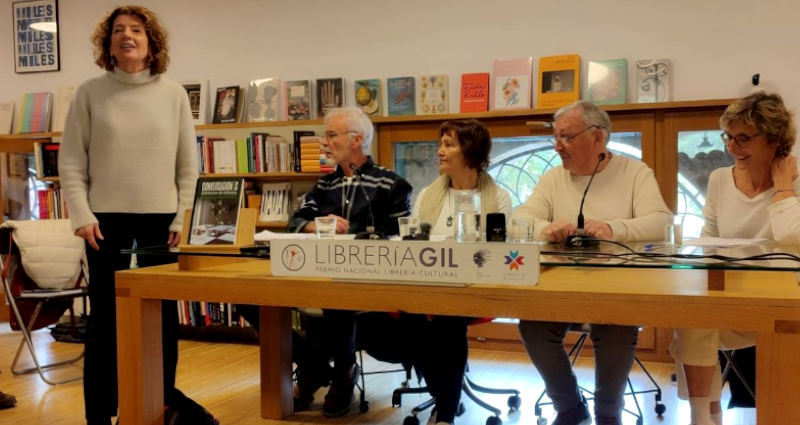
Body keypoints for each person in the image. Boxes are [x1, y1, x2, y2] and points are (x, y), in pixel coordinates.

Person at [58, 6, 198, 425]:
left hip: (162, 222)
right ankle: (99, 418)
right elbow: (70, 163)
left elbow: (188, 167)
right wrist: (81, 214)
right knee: (104, 321)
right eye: (118, 30)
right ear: (109, 44)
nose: (127, 35)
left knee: (162, 319)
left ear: (152, 43)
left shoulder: (173, 94)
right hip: (103, 222)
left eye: (136, 30)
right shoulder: (88, 92)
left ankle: (158, 407)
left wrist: (181, 219)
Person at [512, 100, 672, 425]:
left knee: (616, 329)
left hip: (617, 292)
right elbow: (519, 218)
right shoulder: (554, 178)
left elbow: (661, 221)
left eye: (566, 137)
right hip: (561, 291)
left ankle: (608, 414)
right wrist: (545, 228)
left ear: (597, 137)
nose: (557, 146)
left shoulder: (634, 172)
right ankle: (570, 408)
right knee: (532, 326)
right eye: (555, 138)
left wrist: (615, 228)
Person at [671, 92, 800, 425]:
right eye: (728, 136)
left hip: (782, 298)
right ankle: (703, 416)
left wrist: (783, 184)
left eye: (744, 138)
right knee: (694, 311)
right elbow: (709, 239)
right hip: (730, 290)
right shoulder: (718, 179)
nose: (732, 146)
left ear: (775, 139)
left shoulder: (796, 182)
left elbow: (791, 234)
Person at [287, 107, 412, 417]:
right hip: (317, 277)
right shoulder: (324, 186)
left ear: (356, 140)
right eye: (324, 135)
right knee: (250, 297)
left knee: (338, 286)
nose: (324, 142)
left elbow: (400, 241)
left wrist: (360, 240)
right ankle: (314, 366)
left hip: (368, 284)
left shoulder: (392, 185)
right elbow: (294, 223)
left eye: (331, 135)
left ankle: (339, 371)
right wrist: (317, 225)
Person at [410, 119, 512, 425]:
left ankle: (444, 413)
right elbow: (414, 246)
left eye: (448, 145)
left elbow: (498, 255)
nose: (439, 152)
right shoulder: (429, 195)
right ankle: (446, 402)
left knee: (447, 318)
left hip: (476, 287)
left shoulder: (499, 198)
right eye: (440, 144)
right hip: (428, 286)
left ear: (469, 151)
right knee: (415, 319)